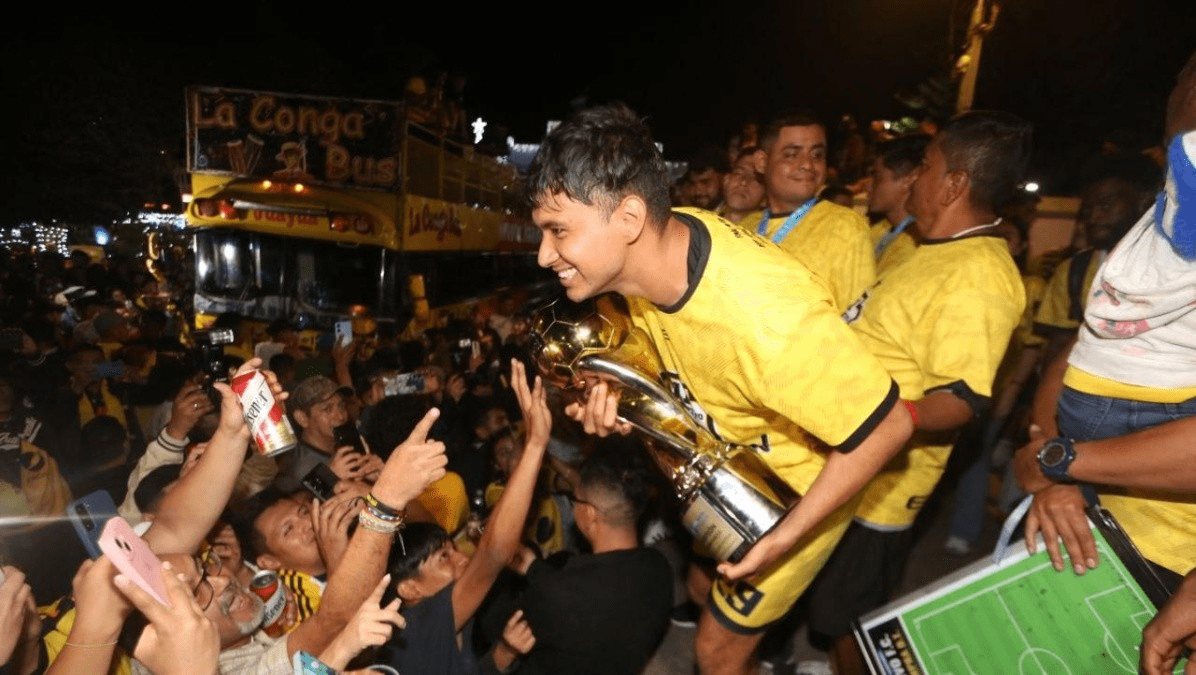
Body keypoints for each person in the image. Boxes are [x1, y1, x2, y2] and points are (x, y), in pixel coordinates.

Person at [526, 103, 912, 675]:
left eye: (558, 231)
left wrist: (784, 541)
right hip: (724, 467)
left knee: (714, 650)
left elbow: (891, 426)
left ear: (628, 218)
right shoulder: (663, 239)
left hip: (790, 497)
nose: (543, 254)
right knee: (706, 589)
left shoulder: (766, 318)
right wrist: (621, 399)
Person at [808, 111, 1029, 675]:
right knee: (831, 603)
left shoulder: (980, 273)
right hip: (851, 464)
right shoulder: (930, 249)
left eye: (926, 167)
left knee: (851, 615)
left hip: (884, 482)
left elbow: (959, 399)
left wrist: (884, 422)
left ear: (955, 183)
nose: (913, 180)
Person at [1015, 50, 1196, 585]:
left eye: (1184, 79)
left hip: (1169, 562)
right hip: (1081, 522)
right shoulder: (1155, 226)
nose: (1179, 95)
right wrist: (1056, 476)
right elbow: (1081, 349)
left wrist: (1059, 461)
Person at [380, 360, 550, 675]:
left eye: (452, 549)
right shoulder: (419, 626)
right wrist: (535, 446)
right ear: (410, 590)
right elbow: (493, 553)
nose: (461, 558)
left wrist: (502, 653)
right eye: (444, 557)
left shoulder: (445, 621)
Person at [512, 444, 672, 675]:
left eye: (575, 499)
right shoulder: (660, 567)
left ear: (590, 514)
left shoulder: (558, 594)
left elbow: (512, 629)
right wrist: (533, 567)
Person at [743, 113, 876, 312]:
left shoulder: (844, 227)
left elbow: (858, 318)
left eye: (817, 155)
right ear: (762, 162)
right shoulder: (744, 228)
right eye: (791, 154)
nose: (807, 165)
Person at [866, 134, 931, 276]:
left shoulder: (916, 244)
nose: (868, 186)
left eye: (876, 177)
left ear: (908, 179)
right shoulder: (880, 229)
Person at [717, 147, 766, 225]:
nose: (743, 182)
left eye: (755, 178)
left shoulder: (769, 234)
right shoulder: (703, 222)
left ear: (766, 198)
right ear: (726, 180)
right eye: (738, 173)